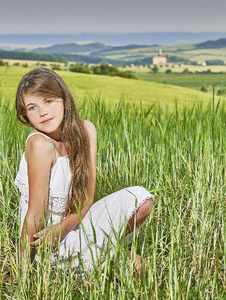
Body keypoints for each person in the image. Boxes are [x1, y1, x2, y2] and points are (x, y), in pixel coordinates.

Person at [13, 68, 154, 277]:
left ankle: (97, 251)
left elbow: (87, 197)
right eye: (32, 107)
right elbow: (36, 215)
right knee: (138, 265)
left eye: (49, 101)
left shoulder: (86, 131)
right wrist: (20, 272)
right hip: (48, 235)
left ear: (64, 99)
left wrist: (65, 227)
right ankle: (77, 259)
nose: (42, 112)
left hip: (75, 220)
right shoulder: (40, 145)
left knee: (141, 198)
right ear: (25, 114)